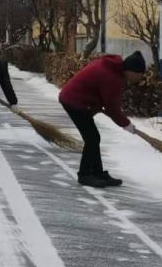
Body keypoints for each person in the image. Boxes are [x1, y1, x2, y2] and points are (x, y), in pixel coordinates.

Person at [58, 50, 147, 188]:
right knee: (92, 138)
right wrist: (126, 124)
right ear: (131, 71)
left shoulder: (113, 69)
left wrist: (98, 105)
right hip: (74, 102)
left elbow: (105, 99)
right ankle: (85, 174)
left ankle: (97, 173)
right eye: (140, 74)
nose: (141, 77)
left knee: (93, 137)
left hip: (81, 101)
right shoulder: (111, 76)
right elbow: (112, 108)